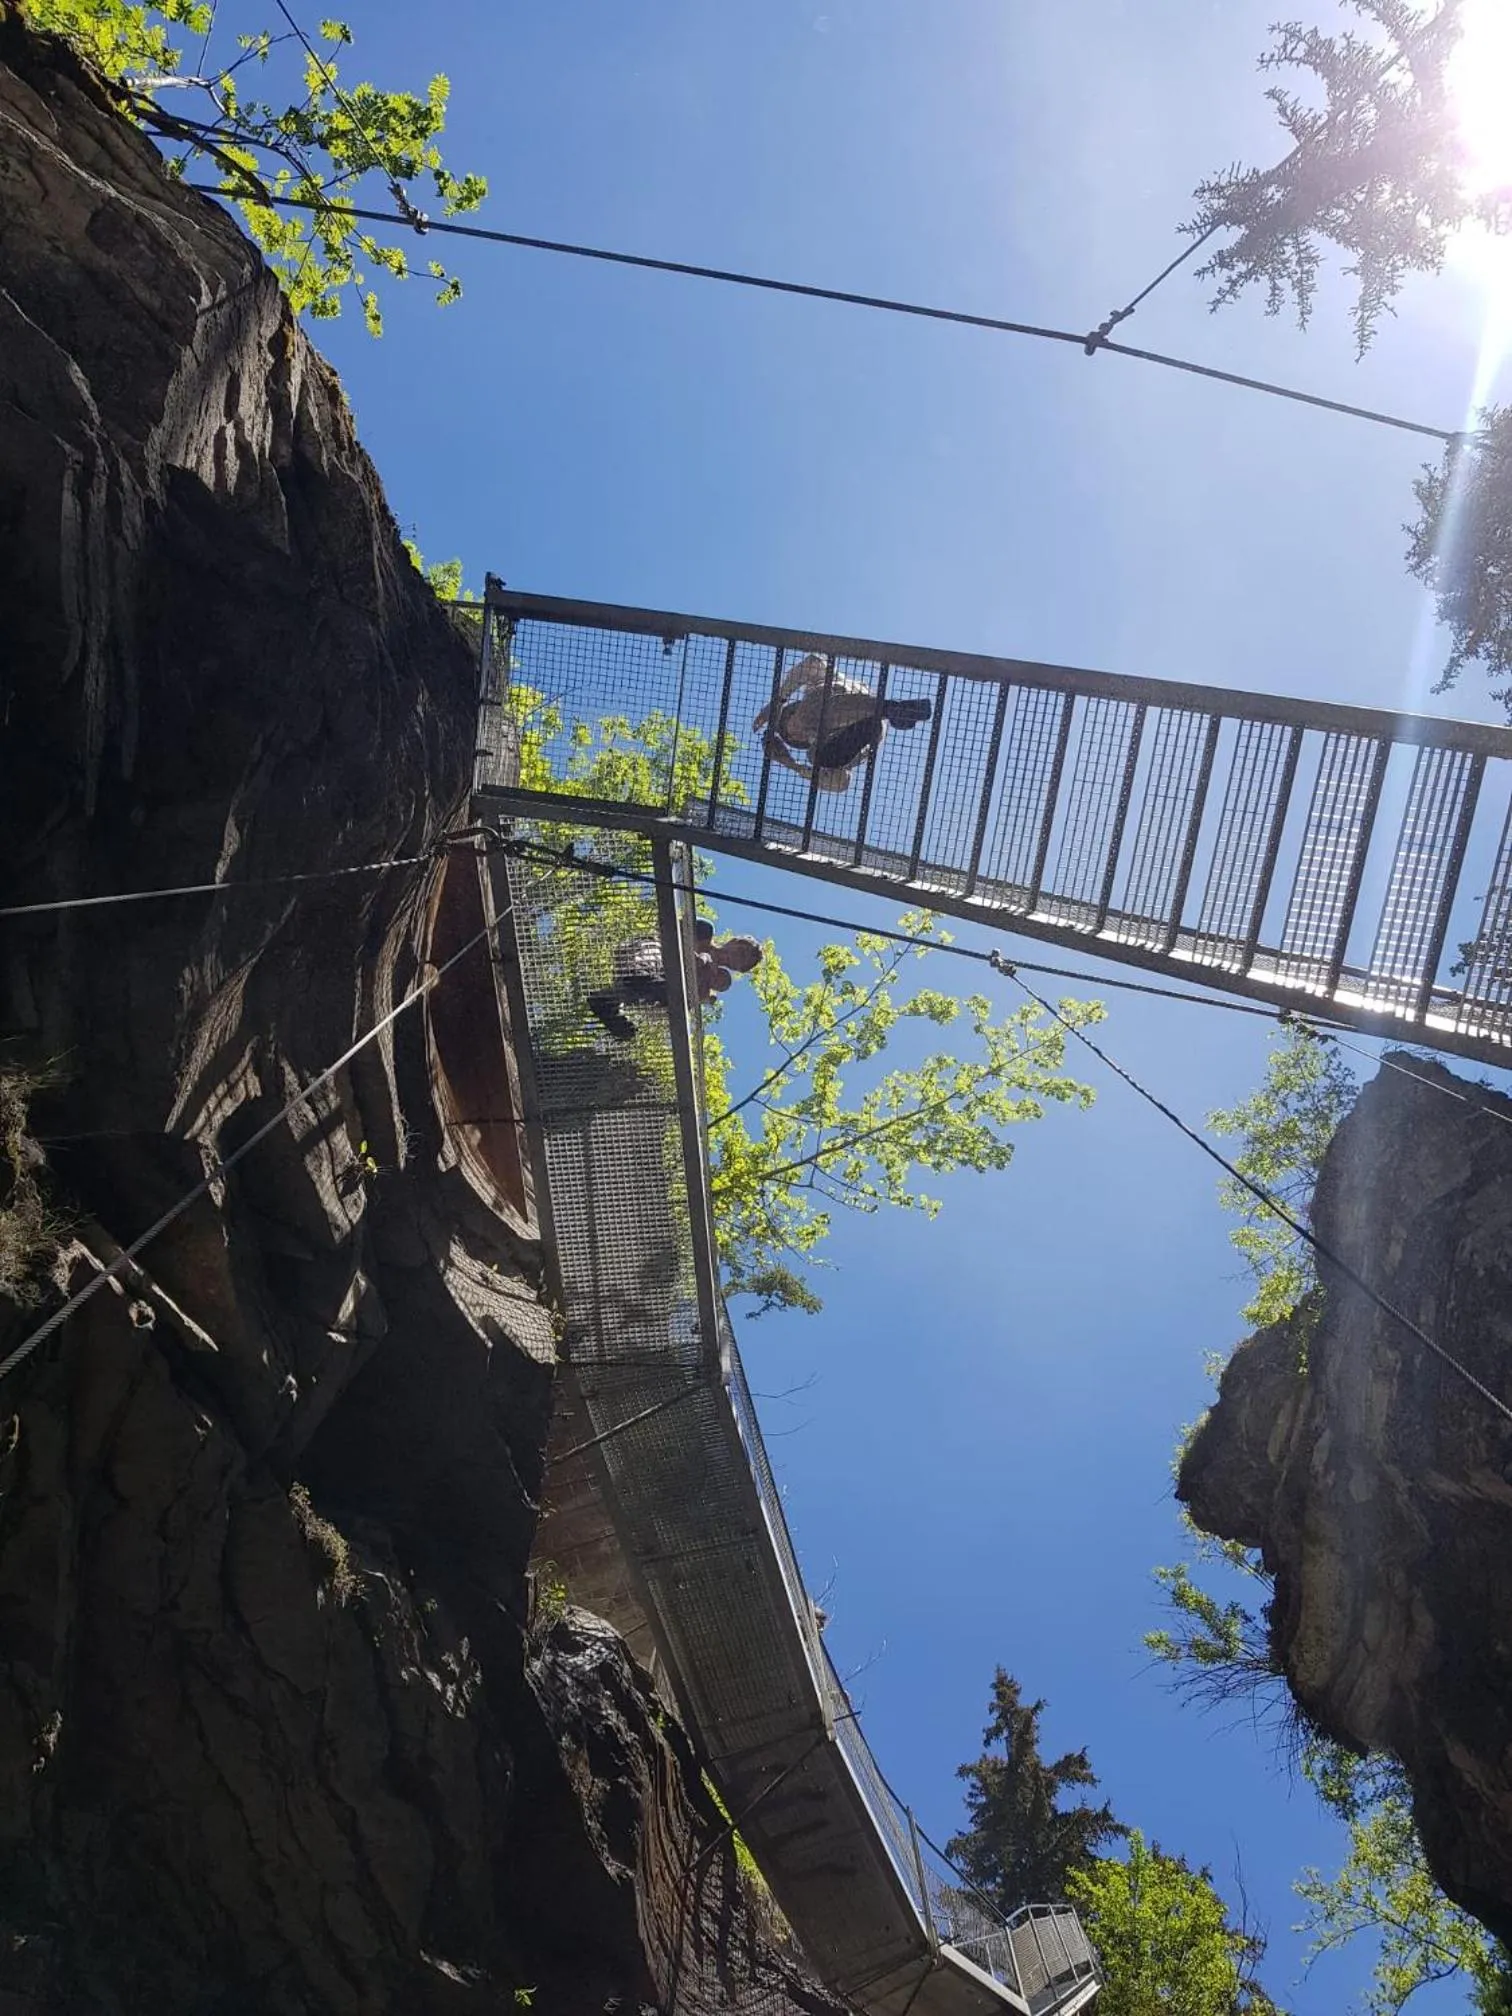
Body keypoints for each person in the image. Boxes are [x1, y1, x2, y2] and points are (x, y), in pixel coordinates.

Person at [753, 654, 931, 793]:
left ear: (792, 709)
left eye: (789, 723)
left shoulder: (814, 690)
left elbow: (813, 662)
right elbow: (840, 783)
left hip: (857, 700)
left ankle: (889, 709)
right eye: (793, 737)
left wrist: (778, 700)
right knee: (815, 757)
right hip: (865, 734)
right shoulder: (816, 741)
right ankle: (885, 712)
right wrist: (791, 764)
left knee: (807, 715)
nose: (795, 731)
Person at [589, 927, 762, 1041]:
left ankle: (608, 1001)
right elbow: (670, 928)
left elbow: (691, 1000)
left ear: (737, 969)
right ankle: (629, 985)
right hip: (650, 952)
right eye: (739, 952)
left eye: (739, 962)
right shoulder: (704, 932)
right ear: (733, 941)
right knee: (646, 969)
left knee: (666, 994)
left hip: (660, 985)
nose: (733, 958)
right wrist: (697, 957)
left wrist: (702, 996)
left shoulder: (710, 981)